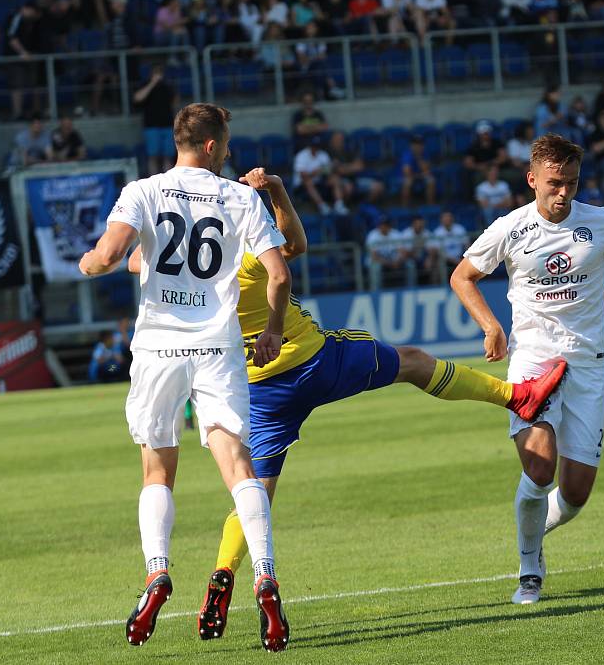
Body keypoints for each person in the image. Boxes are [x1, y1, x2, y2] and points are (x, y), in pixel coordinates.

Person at [177, 168, 566, 639]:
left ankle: (223, 574)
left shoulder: (186, 281)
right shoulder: (248, 254)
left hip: (260, 391)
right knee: (412, 362)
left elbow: (138, 264)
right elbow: (294, 247)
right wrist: (274, 191)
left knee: (253, 493)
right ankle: (514, 396)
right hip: (314, 362)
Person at [450, 133, 604, 606]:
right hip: (531, 359)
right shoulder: (510, 228)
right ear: (532, 179)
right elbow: (462, 276)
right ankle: (529, 570)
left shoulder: (601, 222)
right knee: (541, 464)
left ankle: (535, 529)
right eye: (553, 183)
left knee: (575, 494)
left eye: (570, 182)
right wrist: (490, 326)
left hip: (588, 364)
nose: (563, 192)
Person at [78, 103, 292, 651]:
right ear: (215, 145)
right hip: (218, 345)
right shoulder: (240, 197)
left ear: (180, 142)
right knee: (238, 463)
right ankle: (265, 574)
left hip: (158, 347)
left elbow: (108, 257)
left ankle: (157, 572)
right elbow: (279, 272)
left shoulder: (143, 190)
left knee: (157, 470)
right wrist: (270, 329)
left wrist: (89, 263)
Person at [133, 64, 176, 175]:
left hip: (168, 125)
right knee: (153, 156)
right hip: (151, 126)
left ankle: (169, 182)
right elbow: (137, 98)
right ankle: (154, 181)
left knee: (168, 156)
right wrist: (152, 83)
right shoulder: (144, 85)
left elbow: (174, 101)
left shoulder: (168, 86)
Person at [293, 134, 348, 216]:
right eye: (314, 146)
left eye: (317, 146)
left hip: (320, 181)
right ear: (310, 146)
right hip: (302, 185)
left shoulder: (323, 154)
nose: (315, 148)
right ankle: (322, 206)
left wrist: (332, 166)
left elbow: (328, 171)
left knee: (335, 178)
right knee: (308, 182)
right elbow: (303, 176)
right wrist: (318, 171)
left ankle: (339, 205)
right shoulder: (301, 156)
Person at [365, 215, 413, 289]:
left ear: (390, 225)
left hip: (394, 261)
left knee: (410, 264)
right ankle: (376, 292)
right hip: (378, 261)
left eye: (386, 225)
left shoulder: (395, 234)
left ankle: (411, 289)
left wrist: (398, 261)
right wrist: (389, 263)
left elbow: (403, 252)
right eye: (382, 224)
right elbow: (374, 256)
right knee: (376, 267)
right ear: (378, 226)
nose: (384, 227)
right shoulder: (373, 235)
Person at [464, 119, 507, 194]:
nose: (485, 134)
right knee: (476, 178)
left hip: (498, 168)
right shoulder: (473, 146)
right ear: (479, 134)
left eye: (487, 132)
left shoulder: (497, 143)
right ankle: (479, 200)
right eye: (483, 133)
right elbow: (468, 163)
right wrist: (480, 167)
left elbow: (503, 157)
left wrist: (492, 164)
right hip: (481, 170)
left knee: (513, 175)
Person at [399, 133, 436, 207]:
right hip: (407, 176)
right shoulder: (406, 154)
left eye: (420, 144)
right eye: (415, 144)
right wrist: (420, 175)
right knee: (407, 182)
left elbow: (426, 169)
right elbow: (407, 172)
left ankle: (430, 206)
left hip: (419, 175)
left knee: (431, 180)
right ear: (411, 145)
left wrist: (418, 157)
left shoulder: (425, 153)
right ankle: (404, 207)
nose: (418, 146)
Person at [401, 215, 439, 284]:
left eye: (421, 224)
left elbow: (433, 250)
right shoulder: (406, 234)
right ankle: (411, 288)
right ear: (413, 224)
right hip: (411, 258)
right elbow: (405, 253)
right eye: (417, 224)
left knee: (434, 262)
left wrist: (429, 258)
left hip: (423, 258)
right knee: (410, 265)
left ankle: (434, 286)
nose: (419, 226)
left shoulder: (427, 233)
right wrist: (415, 252)